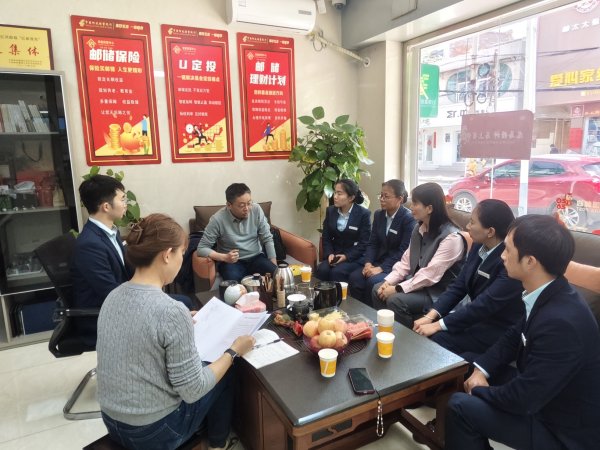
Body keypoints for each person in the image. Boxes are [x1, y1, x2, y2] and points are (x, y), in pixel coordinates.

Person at [97, 214, 255, 450]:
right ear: (167, 254)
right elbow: (193, 390)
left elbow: (143, 332)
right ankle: (217, 444)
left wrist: (181, 322)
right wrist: (233, 351)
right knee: (225, 368)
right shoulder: (170, 311)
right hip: (155, 431)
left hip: (112, 421)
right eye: (181, 253)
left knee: (204, 364)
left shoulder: (113, 296)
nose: (182, 260)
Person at [445, 215, 600, 450]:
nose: (502, 256)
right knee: (465, 364)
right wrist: (481, 369)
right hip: (543, 396)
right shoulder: (550, 291)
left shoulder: (562, 322)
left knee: (459, 406)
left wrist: (480, 390)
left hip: (562, 429)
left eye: (507, 249)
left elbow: (524, 399)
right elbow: (513, 335)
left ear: (530, 262)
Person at [413, 199, 524, 363]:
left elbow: (484, 304)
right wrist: (431, 315)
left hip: (498, 328)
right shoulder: (479, 246)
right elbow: (459, 286)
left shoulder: (509, 261)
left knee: (438, 340)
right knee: (431, 333)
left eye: (472, 222)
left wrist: (437, 325)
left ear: (490, 231)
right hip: (476, 320)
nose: (466, 227)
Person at [372, 182, 466, 328]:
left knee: (395, 300)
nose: (411, 207)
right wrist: (388, 282)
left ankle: (409, 338)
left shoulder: (452, 237)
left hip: (438, 293)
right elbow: (405, 262)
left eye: (415, 203)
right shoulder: (419, 228)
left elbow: (430, 275)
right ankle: (386, 332)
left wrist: (397, 288)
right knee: (377, 289)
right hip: (418, 285)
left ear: (429, 208)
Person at [71, 175, 133, 345]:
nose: (125, 204)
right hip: (101, 316)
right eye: (122, 199)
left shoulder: (110, 232)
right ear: (106, 206)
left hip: (116, 304)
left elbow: (124, 272)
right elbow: (111, 293)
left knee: (177, 304)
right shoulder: (90, 244)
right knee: (179, 305)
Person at [348, 179, 415, 305]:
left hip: (395, 266)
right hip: (377, 261)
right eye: (381, 195)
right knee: (355, 278)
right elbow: (373, 243)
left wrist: (381, 268)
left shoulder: (408, 219)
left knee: (372, 281)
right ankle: (358, 311)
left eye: (386, 197)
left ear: (400, 199)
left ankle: (370, 314)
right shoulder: (379, 215)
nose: (382, 199)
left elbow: (403, 251)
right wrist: (368, 263)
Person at [197, 183, 277, 282]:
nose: (247, 208)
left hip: (256, 257)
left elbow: (267, 238)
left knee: (277, 275)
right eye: (242, 205)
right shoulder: (217, 219)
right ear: (229, 205)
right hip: (231, 262)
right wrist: (224, 257)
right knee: (234, 284)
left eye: (249, 203)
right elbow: (201, 248)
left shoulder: (256, 210)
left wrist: (274, 266)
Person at [315, 179, 371, 283]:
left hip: (354, 257)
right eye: (335, 192)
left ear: (351, 198)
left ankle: (340, 294)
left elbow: (364, 243)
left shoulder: (363, 214)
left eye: (339, 194)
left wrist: (346, 256)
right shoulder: (330, 211)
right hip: (335, 254)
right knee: (322, 270)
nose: (335, 196)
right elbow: (326, 237)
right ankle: (321, 294)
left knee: (337, 272)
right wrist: (329, 253)